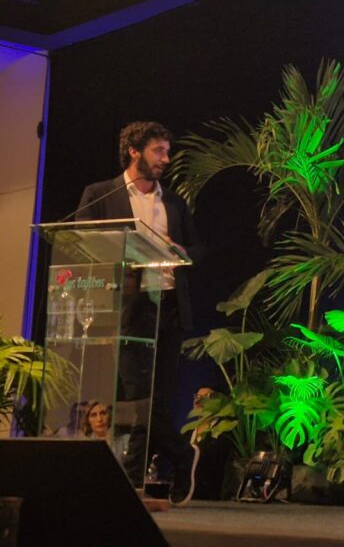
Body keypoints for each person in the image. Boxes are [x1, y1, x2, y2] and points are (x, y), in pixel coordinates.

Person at [76, 121, 205, 501]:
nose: (166, 158)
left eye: (167, 151)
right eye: (158, 151)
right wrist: (125, 250)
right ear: (134, 151)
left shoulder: (174, 202)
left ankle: (132, 483)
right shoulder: (101, 194)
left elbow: (198, 249)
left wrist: (180, 250)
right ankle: (181, 454)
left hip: (169, 305)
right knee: (138, 395)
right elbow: (82, 239)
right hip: (129, 306)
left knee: (157, 398)